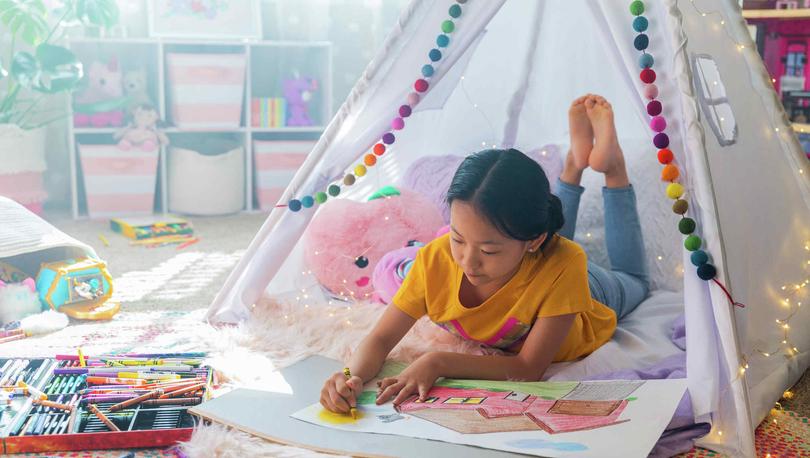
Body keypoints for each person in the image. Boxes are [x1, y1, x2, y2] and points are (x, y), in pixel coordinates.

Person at [320, 94, 649, 414]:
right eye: (458, 239)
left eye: (489, 250)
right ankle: (574, 165)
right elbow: (379, 338)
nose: (468, 261)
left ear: (533, 241)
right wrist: (351, 377)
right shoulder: (435, 260)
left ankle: (613, 170)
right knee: (545, 245)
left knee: (635, 280)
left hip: (592, 294)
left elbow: (528, 368)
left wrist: (436, 361)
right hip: (540, 262)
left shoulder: (566, 262)